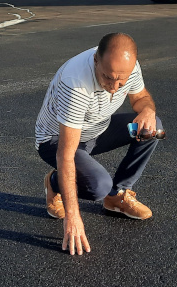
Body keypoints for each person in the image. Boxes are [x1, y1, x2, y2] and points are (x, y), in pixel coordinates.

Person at [35, 32, 164, 255]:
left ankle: (117, 195)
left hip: (97, 129)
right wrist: (73, 217)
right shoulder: (75, 84)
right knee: (97, 186)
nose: (114, 86)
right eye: (107, 77)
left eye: (121, 80)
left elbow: (140, 97)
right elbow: (66, 154)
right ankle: (54, 183)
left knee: (152, 128)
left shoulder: (127, 66)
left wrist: (148, 111)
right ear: (96, 59)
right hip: (55, 141)